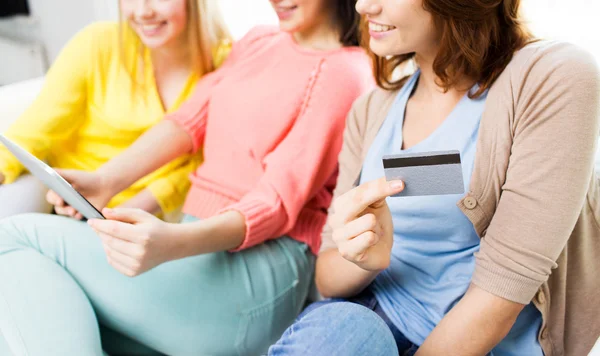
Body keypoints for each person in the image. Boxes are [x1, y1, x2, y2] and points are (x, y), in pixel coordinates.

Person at [0, 0, 374, 355]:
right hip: (193, 250)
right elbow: (189, 120)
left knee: (11, 237)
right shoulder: (260, 40)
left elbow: (275, 203)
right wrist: (105, 181)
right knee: (22, 302)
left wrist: (172, 241)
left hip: (254, 279)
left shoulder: (346, 71)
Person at [269, 0, 600, 355]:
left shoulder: (554, 77)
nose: (363, 6)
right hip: (362, 319)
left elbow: (503, 289)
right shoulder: (370, 111)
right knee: (345, 330)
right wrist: (365, 261)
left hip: (474, 343)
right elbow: (327, 276)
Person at [0, 0, 231, 220]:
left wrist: (122, 214)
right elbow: (33, 131)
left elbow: (201, 165)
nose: (143, 12)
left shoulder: (226, 64)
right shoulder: (98, 44)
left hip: (148, 219)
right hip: (68, 203)